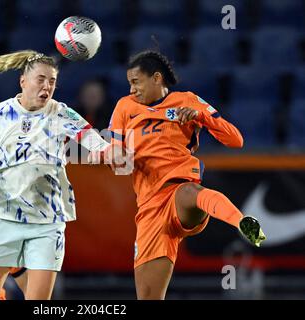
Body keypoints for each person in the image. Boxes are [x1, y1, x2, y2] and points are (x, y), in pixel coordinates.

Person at [0, 50, 111, 300]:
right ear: (23, 81)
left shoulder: (62, 113)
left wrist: (109, 152)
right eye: (41, 79)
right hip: (4, 219)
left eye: (52, 81)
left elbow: (98, 142)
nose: (47, 86)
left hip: (47, 224)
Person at [107, 50, 266, 299]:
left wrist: (202, 116)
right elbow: (114, 152)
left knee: (192, 192)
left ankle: (242, 222)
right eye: (129, 84)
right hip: (150, 208)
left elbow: (236, 140)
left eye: (136, 82)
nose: (131, 89)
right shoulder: (125, 107)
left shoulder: (188, 100)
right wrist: (117, 156)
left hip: (179, 186)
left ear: (156, 78)